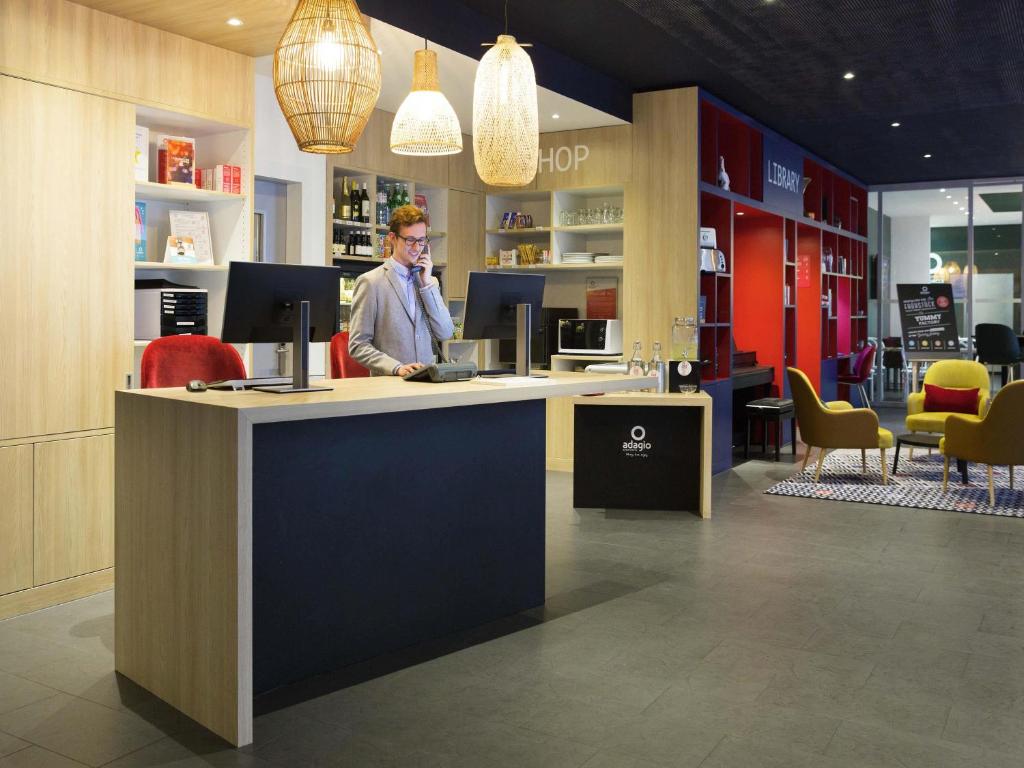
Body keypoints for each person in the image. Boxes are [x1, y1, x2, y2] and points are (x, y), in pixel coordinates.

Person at [348, 204, 454, 376]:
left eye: (421, 241)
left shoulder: (429, 282)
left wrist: (426, 284)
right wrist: (396, 367)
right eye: (410, 240)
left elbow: (445, 332)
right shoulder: (371, 282)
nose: (416, 247)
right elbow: (358, 345)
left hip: (427, 384)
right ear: (393, 238)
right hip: (389, 387)